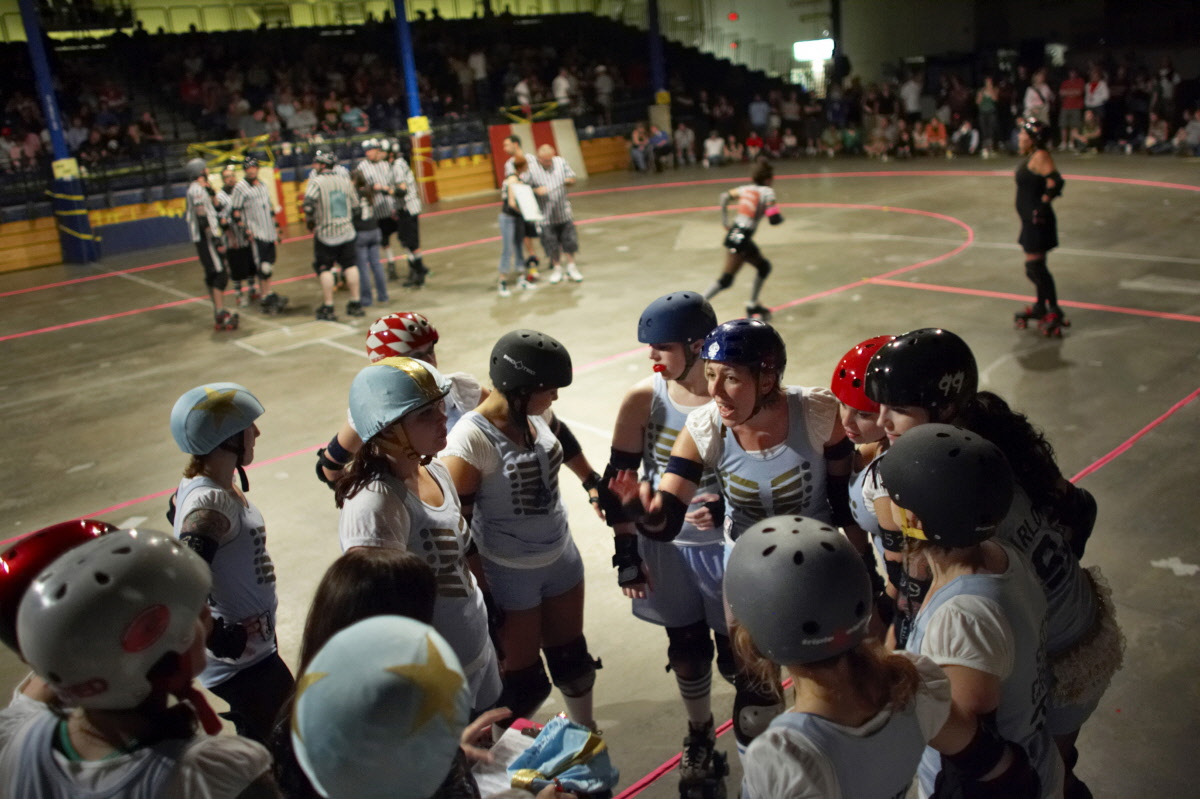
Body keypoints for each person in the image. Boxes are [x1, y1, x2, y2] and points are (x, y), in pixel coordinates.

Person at [865, 328, 1122, 799]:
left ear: (944, 408)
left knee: (1040, 772)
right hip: (1073, 618)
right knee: (1053, 766)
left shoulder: (945, 493)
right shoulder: (986, 446)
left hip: (1064, 654)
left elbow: (912, 599)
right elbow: (1081, 509)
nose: (882, 420)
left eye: (897, 408)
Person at [611, 319, 853, 756]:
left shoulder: (816, 411)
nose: (716, 392)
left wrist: (868, 567)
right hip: (748, 567)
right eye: (710, 375)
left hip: (819, 561)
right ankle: (763, 781)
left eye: (731, 378)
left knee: (833, 689)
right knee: (756, 700)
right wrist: (642, 514)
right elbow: (667, 521)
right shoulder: (705, 426)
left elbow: (843, 501)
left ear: (767, 379)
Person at [0, 528, 279, 798]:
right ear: (161, 655)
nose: (206, 613)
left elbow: (53, 672)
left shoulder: (15, 734)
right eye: (196, 612)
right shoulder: (211, 774)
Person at [882, 425, 1062, 798]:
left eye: (892, 496)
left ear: (913, 521)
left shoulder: (963, 618)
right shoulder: (1001, 553)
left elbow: (971, 756)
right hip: (1038, 760)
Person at [442, 330, 605, 729]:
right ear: (521, 388)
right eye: (549, 389)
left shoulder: (533, 414)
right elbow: (459, 532)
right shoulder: (470, 439)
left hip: (561, 556)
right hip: (508, 571)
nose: (555, 397)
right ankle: (502, 761)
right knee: (521, 686)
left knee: (573, 663)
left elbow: (561, 434)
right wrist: (483, 594)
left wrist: (591, 481)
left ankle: (585, 737)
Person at [604, 292, 731, 793]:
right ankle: (700, 732)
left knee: (741, 655)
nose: (652, 357)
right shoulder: (645, 397)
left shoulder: (730, 394)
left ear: (698, 346)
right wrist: (626, 554)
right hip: (668, 544)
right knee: (687, 647)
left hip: (726, 544)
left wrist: (730, 507)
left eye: (662, 347)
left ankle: (758, 733)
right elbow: (618, 483)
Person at [335, 355, 503, 711]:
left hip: (473, 650)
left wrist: (488, 606)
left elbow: (462, 553)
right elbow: (377, 614)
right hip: (434, 679)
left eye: (440, 406)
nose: (443, 417)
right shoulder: (376, 503)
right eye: (425, 413)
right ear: (387, 429)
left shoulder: (436, 472)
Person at [169, 381, 294, 744]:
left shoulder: (208, 486)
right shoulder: (210, 505)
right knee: (288, 741)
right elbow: (182, 585)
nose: (256, 432)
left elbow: (175, 515)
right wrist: (221, 638)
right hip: (239, 664)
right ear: (227, 438)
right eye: (247, 426)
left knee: (269, 739)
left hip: (253, 652)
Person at [316, 312, 487, 487]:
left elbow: (502, 421)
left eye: (430, 351)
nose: (429, 361)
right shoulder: (374, 410)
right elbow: (329, 468)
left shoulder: (460, 388)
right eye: (416, 356)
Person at [702, 159, 783, 320]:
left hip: (736, 233)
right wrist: (776, 216)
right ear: (768, 179)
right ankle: (697, 305)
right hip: (742, 238)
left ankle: (752, 304)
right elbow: (773, 217)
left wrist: (725, 221)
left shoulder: (745, 189)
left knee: (763, 267)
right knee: (726, 279)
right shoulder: (767, 192)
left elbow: (724, 197)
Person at [1012, 119, 1068, 335]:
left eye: (1023, 134)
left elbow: (1056, 182)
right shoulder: (1034, 156)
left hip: (1038, 222)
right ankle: (1041, 306)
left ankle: (1052, 309)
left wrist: (1042, 206)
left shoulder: (1041, 156)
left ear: (1033, 138)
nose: (1019, 137)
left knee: (1035, 268)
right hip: (1031, 221)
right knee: (1037, 267)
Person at [304, 149, 363, 321]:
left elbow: (308, 205)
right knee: (350, 266)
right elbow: (357, 208)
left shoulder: (317, 182)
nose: (315, 166)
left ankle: (329, 306)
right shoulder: (345, 181)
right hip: (346, 232)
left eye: (317, 163)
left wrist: (311, 222)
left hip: (326, 233)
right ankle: (355, 303)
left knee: (325, 269)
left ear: (323, 165)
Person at [183, 158, 236, 330]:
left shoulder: (202, 188)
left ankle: (219, 311)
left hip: (206, 237)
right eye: (205, 169)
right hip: (206, 238)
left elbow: (217, 208)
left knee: (213, 274)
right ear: (200, 172)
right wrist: (216, 240)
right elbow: (202, 218)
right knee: (220, 274)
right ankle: (220, 312)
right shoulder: (196, 190)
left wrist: (211, 192)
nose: (207, 171)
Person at [230, 156, 287, 313]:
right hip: (256, 232)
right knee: (262, 266)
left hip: (268, 231)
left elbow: (269, 208)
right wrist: (244, 229)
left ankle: (268, 292)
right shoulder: (240, 188)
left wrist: (277, 228)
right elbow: (235, 211)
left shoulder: (262, 185)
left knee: (269, 264)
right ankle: (264, 296)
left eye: (253, 167)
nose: (251, 170)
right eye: (248, 168)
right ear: (245, 170)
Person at [527, 145, 582, 284]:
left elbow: (572, 177)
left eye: (550, 159)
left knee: (569, 241)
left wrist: (569, 181)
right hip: (545, 216)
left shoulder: (560, 162)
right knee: (551, 244)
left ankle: (571, 267)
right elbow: (524, 187)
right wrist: (536, 190)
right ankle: (557, 268)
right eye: (546, 161)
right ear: (539, 159)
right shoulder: (531, 169)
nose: (549, 163)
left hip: (564, 213)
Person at [355, 139, 400, 283]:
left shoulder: (386, 164)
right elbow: (360, 187)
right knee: (384, 240)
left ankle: (413, 262)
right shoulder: (362, 167)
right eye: (367, 151)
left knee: (404, 236)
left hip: (392, 207)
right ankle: (391, 263)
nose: (368, 153)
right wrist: (372, 188)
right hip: (376, 210)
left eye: (371, 150)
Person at [387, 138, 430, 288]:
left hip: (408, 209)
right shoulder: (395, 164)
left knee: (411, 243)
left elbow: (402, 191)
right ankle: (419, 270)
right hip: (405, 209)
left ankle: (419, 273)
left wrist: (386, 190)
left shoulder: (398, 165)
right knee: (406, 241)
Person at [501, 134, 543, 277]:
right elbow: (512, 187)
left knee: (542, 231)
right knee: (525, 234)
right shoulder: (508, 164)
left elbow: (537, 177)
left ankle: (552, 257)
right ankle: (532, 258)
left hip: (535, 200)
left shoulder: (531, 159)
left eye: (506, 145)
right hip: (522, 204)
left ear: (515, 144)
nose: (504, 148)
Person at [498, 154, 539, 297]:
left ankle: (521, 277)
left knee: (518, 247)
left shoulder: (518, 179)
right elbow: (511, 203)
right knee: (508, 249)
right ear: (523, 166)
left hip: (517, 218)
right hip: (508, 217)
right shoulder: (513, 180)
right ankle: (502, 281)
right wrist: (526, 213)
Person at [218, 165, 259, 310]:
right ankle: (238, 295)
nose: (230, 179)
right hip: (232, 239)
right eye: (227, 177)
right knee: (236, 268)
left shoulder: (240, 191)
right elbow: (222, 220)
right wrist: (230, 237)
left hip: (245, 236)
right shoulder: (220, 197)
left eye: (232, 176)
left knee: (250, 265)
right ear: (223, 180)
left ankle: (252, 291)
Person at [351, 171, 387, 307]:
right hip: (374, 230)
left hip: (361, 233)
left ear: (354, 181)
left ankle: (366, 299)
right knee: (376, 265)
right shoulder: (368, 191)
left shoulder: (353, 194)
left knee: (363, 268)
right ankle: (383, 295)